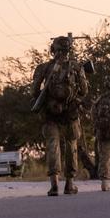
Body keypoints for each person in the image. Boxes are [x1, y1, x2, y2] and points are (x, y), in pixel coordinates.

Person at [31, 35, 90, 196]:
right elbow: (84, 91)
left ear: (53, 50)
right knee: (71, 147)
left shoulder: (43, 68)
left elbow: (34, 91)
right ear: (69, 50)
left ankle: (54, 184)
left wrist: (44, 101)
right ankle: (69, 184)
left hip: (50, 114)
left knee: (52, 147)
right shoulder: (77, 67)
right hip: (70, 113)